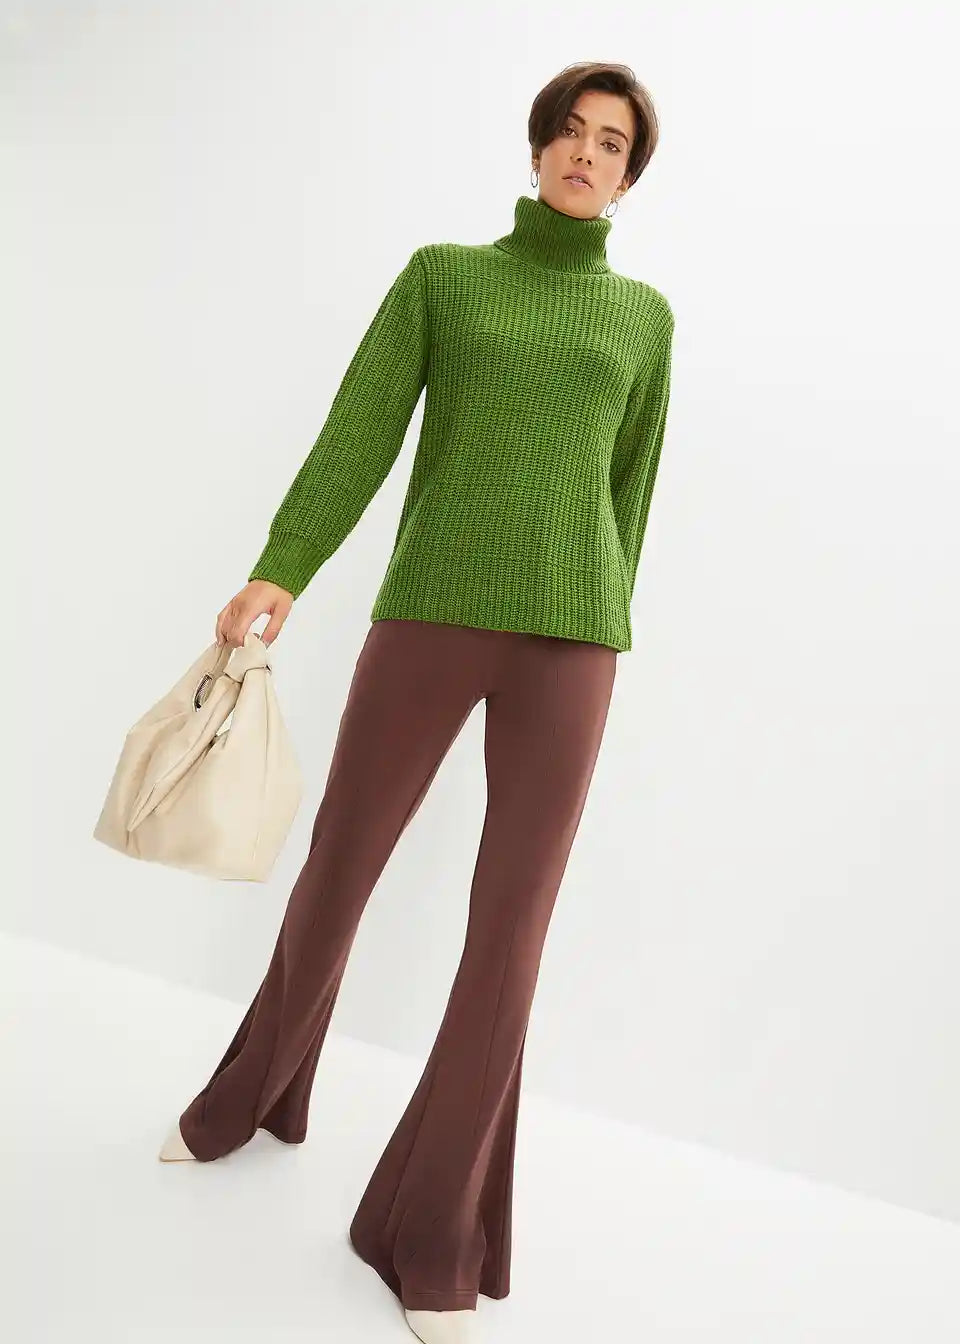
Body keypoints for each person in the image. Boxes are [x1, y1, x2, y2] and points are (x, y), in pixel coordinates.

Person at [158, 59, 674, 1344]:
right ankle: (249, 1098)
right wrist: (281, 567)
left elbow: (631, 494)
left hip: (573, 645)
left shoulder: (645, 320)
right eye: (571, 131)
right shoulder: (446, 277)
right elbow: (361, 431)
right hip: (433, 608)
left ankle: (434, 1234)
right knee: (341, 864)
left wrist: (603, 617)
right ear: (538, 147)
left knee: (512, 934)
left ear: (629, 175)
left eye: (612, 143)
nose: (587, 153)